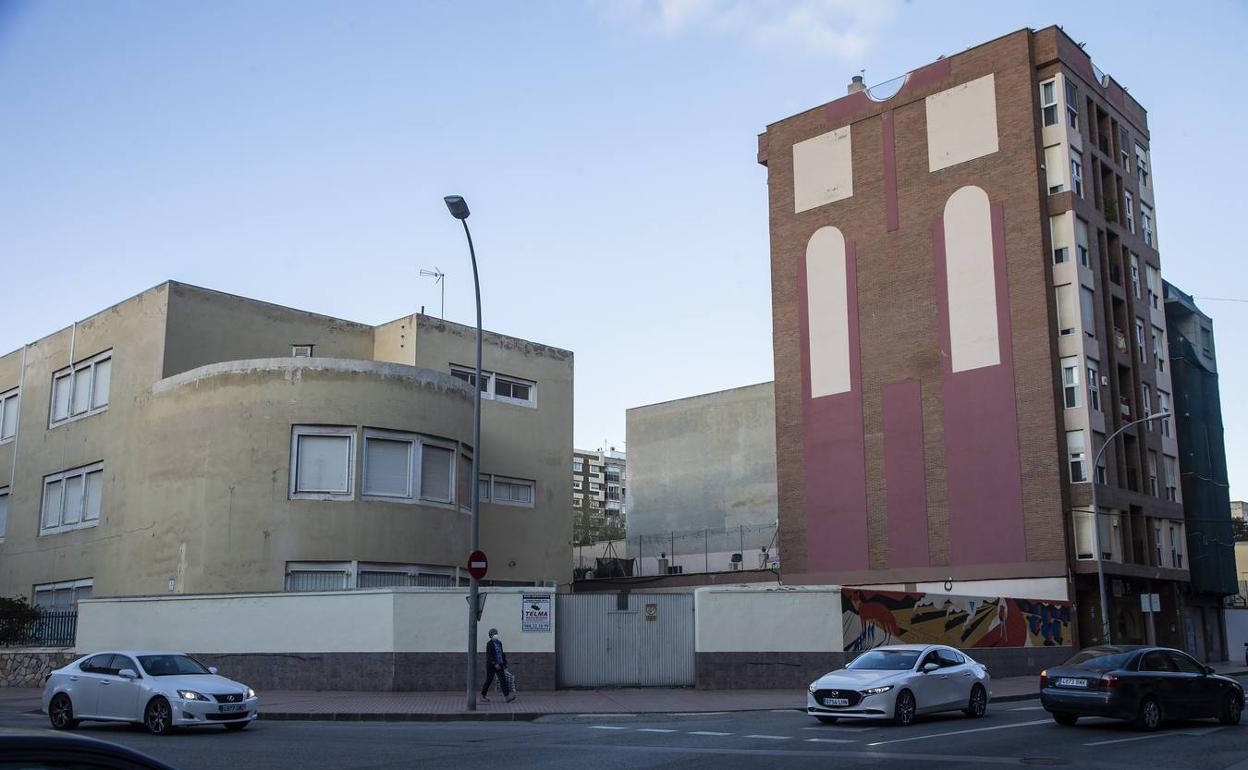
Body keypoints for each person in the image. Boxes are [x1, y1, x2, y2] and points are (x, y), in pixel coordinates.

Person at [480, 628, 515, 702]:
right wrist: (494, 663)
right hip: (491, 666)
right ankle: (483, 695)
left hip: (500, 664)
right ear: (490, 635)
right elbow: (489, 656)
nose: (495, 635)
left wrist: (504, 664)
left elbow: (502, 654)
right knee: (489, 680)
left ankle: (507, 697)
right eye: (493, 634)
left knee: (503, 680)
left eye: (496, 633)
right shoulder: (489, 644)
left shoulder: (499, 643)